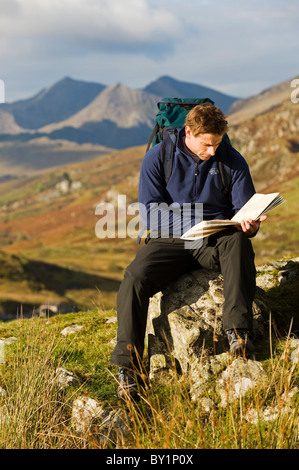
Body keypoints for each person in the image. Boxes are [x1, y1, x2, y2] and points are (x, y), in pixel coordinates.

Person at [110, 103, 266, 400]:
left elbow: (245, 211)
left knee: (238, 242)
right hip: (168, 240)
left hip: (215, 240)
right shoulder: (157, 158)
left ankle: (239, 333)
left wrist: (250, 225)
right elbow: (152, 215)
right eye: (206, 144)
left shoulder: (231, 160)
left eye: (217, 143)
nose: (212, 150)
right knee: (134, 277)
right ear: (188, 132)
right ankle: (128, 368)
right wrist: (200, 220)